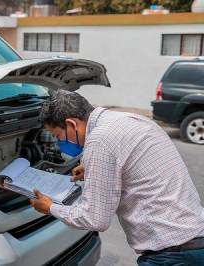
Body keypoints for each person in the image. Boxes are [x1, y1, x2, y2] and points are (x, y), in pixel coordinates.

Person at [30, 90, 204, 265]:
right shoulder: (128, 119)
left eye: (58, 136)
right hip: (195, 237)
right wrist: (97, 167)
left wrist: (50, 207)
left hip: (173, 254)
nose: (60, 143)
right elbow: (133, 162)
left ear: (71, 124)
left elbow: (95, 219)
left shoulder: (100, 140)